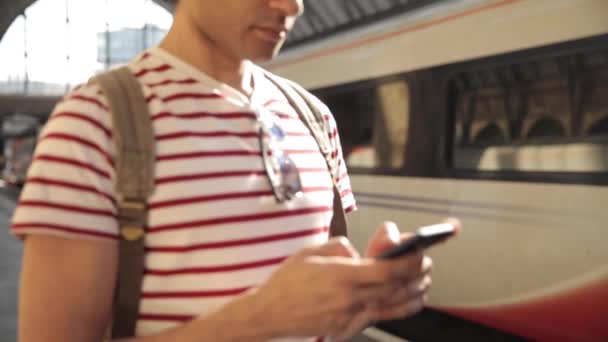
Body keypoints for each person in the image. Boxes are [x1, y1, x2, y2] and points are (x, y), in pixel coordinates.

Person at [12, 1, 459, 341]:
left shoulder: (313, 117)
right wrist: (258, 319)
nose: (293, 7)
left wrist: (367, 291)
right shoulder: (95, 123)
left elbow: (316, 318)